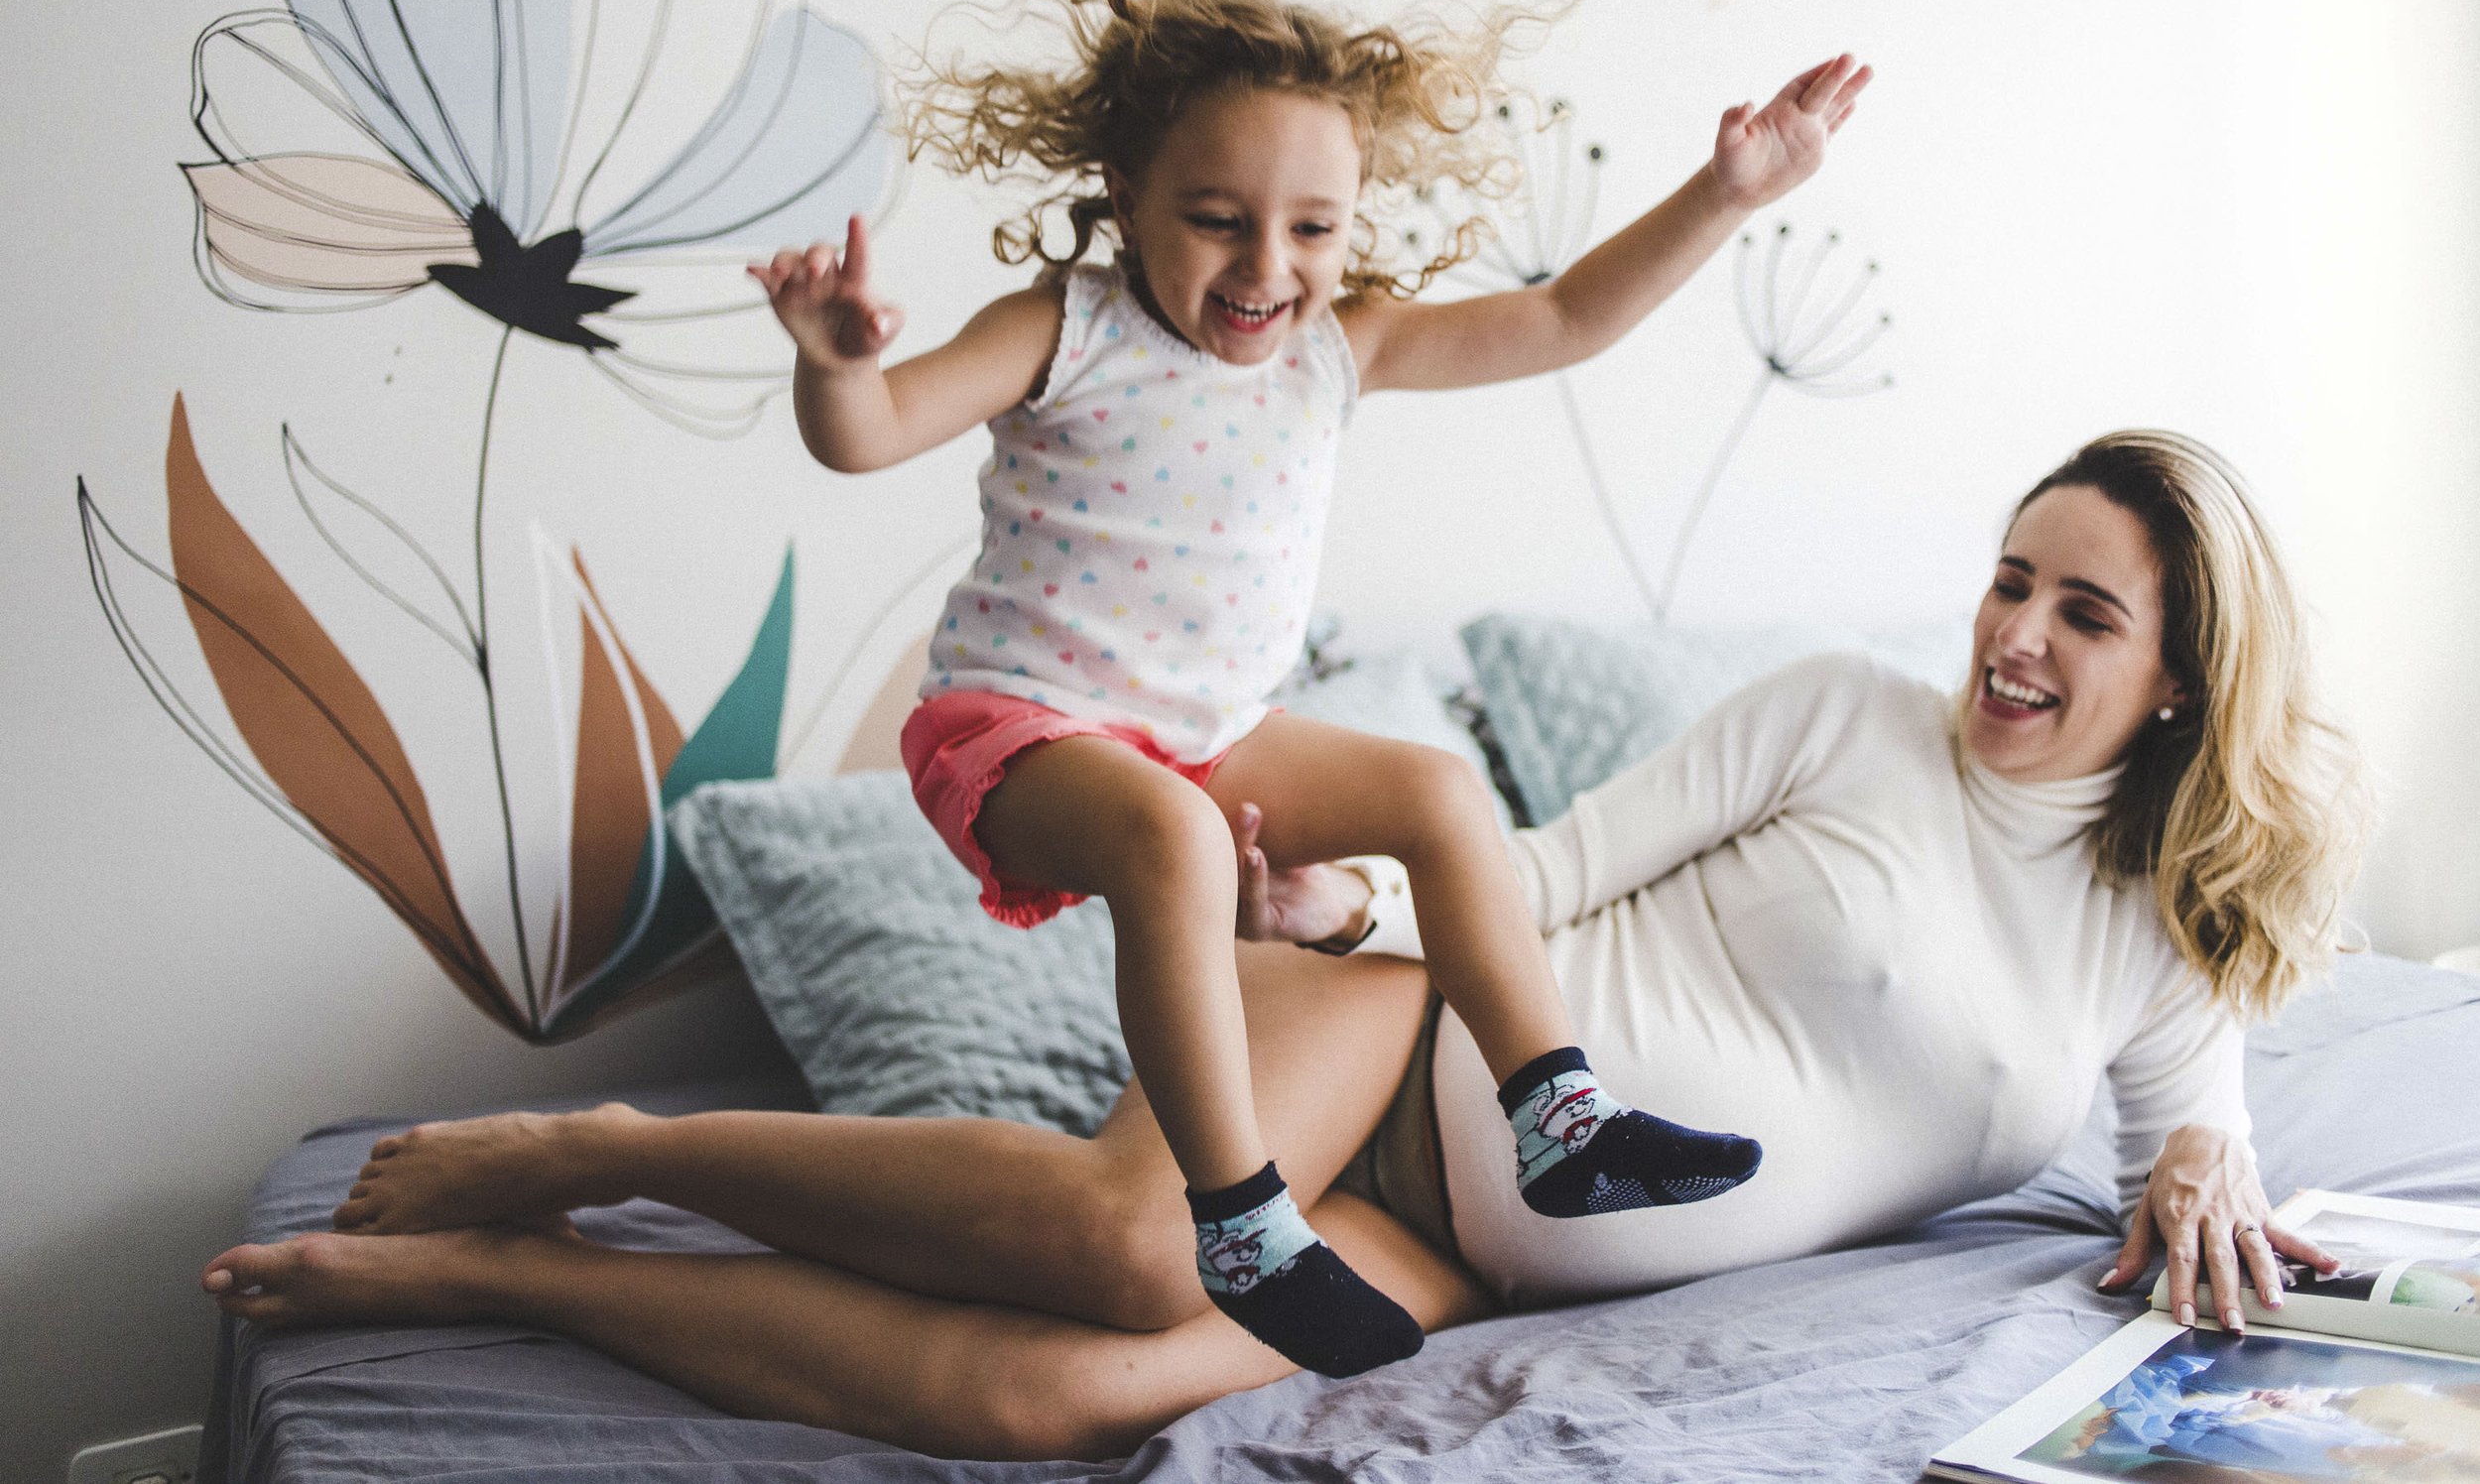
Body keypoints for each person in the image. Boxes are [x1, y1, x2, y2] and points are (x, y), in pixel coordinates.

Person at [199, 429, 2369, 1461]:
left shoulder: (2162, 938)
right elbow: (1550, 859)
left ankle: (509, 1281)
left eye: (2079, 612)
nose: (2009, 635)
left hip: (1483, 1253)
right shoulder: (1838, 717)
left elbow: (2194, 1137)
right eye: (2008, 578)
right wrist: (1342, 911)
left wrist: (2200, 1171)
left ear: (2174, 675)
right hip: (1414, 1035)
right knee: (1141, 1252)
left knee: (1055, 1399)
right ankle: (585, 1149)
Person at [735, 0, 1867, 1376]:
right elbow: (869, 436)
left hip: (1205, 735)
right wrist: (836, 365)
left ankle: (1558, 1119)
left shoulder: (1345, 347)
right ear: (1128, 189)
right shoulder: (1062, 328)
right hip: (1019, 730)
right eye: (1218, 218)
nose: (1269, 264)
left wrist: (1727, 195)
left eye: (1314, 228)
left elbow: (1572, 315)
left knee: (1442, 794)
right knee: (1179, 849)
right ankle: (1245, 1220)